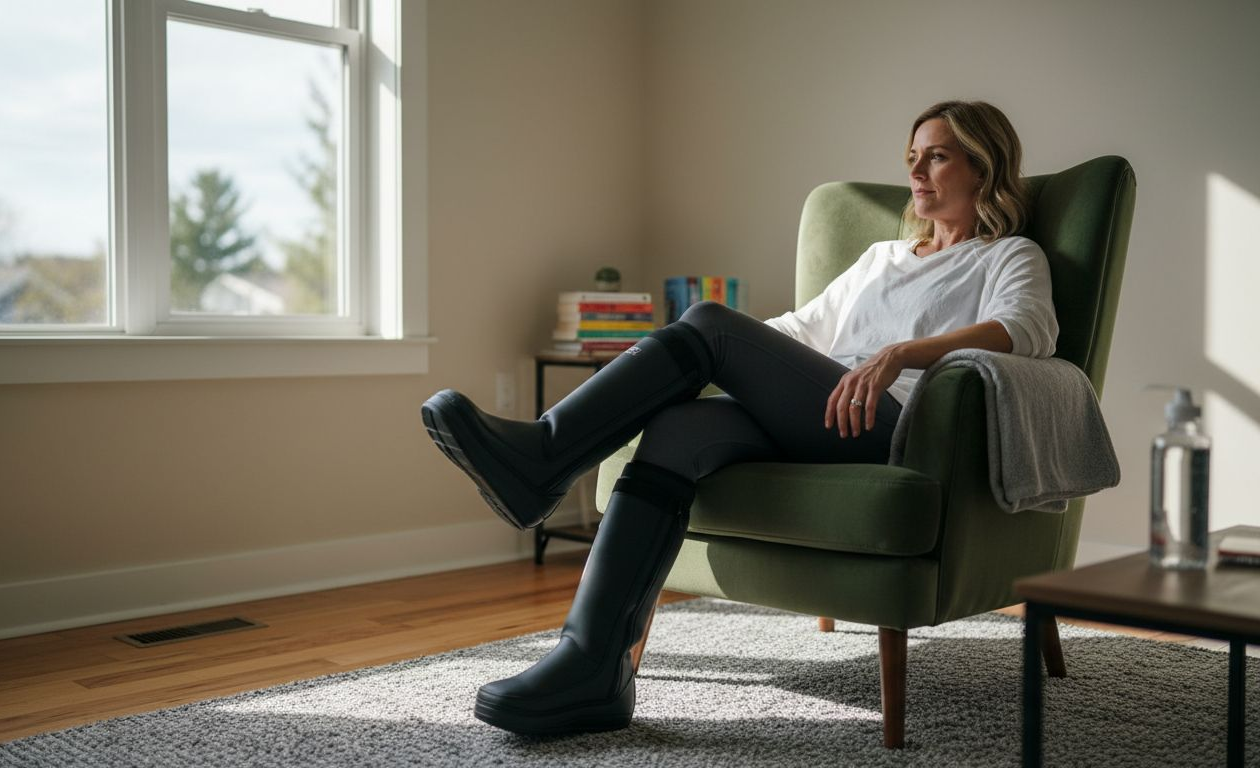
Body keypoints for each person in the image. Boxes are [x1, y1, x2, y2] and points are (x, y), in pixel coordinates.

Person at [420, 100, 1058, 736]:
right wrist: (693, 362)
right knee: (676, 429)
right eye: (912, 158)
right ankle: (592, 668)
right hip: (817, 413)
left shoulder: (1007, 256)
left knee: (708, 324)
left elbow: (1028, 330)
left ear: (983, 166)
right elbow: (796, 329)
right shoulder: (881, 258)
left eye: (937, 156)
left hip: (892, 424)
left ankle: (544, 458)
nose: (917, 172)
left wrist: (899, 354)